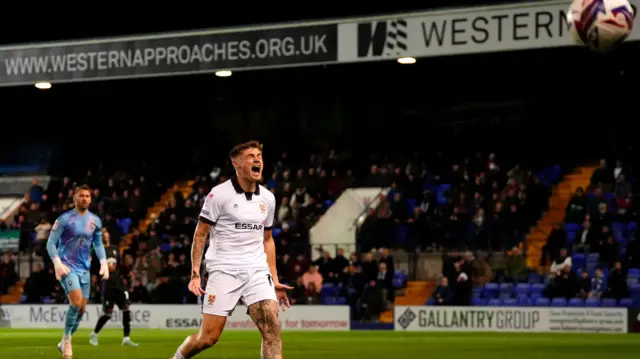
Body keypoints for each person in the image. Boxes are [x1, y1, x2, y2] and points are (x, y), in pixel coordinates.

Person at [171, 141, 292, 359]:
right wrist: (195, 274)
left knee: (272, 329)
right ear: (236, 163)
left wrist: (274, 279)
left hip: (256, 270)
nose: (257, 160)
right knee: (208, 338)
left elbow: (267, 240)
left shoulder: (268, 198)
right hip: (224, 270)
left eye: (259, 156)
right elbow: (200, 234)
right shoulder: (219, 195)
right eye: (250, 156)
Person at [46, 185, 108, 359]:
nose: (85, 199)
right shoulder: (64, 219)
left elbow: (98, 243)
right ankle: (66, 340)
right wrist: (57, 263)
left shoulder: (95, 220)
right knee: (76, 301)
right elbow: (50, 243)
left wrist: (103, 262)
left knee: (81, 309)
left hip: (85, 269)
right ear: (75, 198)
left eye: (88, 196)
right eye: (81, 196)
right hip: (67, 267)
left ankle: (64, 341)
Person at [90, 228, 139, 347]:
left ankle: (126, 338)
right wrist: (94, 285)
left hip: (119, 284)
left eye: (106, 232)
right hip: (107, 285)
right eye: (101, 233)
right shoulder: (96, 250)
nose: (104, 235)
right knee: (108, 314)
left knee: (126, 309)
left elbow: (120, 266)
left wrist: (128, 273)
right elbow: (93, 270)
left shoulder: (115, 249)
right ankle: (94, 334)